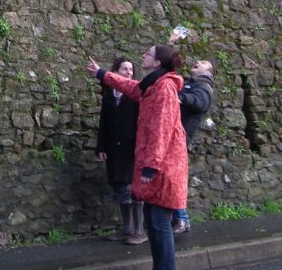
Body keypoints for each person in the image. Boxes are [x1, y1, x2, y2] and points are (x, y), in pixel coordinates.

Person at [87, 44, 187, 270]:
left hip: (163, 167)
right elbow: (131, 87)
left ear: (157, 62)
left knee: (159, 223)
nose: (144, 55)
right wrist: (103, 73)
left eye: (148, 53)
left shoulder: (164, 89)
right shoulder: (153, 84)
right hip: (158, 164)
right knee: (154, 222)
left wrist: (151, 166)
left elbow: (162, 128)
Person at [94, 57, 146, 244]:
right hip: (114, 149)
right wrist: (101, 147)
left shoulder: (135, 95)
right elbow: (104, 124)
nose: (129, 73)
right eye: (125, 69)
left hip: (132, 149)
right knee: (120, 188)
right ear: (115, 72)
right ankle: (127, 228)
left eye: (131, 70)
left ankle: (139, 231)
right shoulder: (109, 96)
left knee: (134, 190)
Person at [171, 59, 214, 234]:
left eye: (203, 62)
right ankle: (179, 218)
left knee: (173, 178)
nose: (197, 62)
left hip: (180, 138)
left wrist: (181, 98)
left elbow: (200, 103)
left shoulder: (204, 87)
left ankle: (181, 219)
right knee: (170, 177)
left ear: (208, 72)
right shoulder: (189, 82)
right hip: (173, 134)